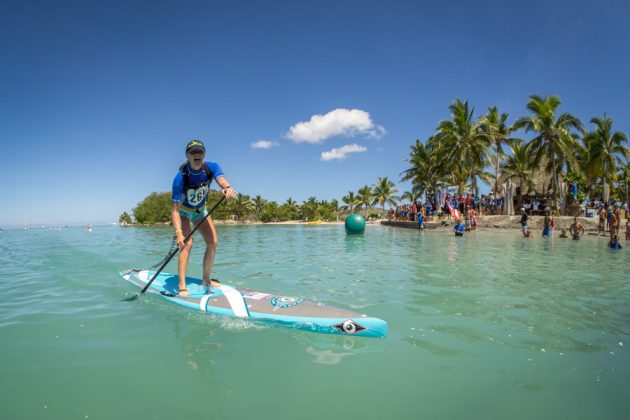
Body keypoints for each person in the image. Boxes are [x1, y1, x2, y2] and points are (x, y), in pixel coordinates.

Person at [171, 139, 237, 297]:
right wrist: (179, 232)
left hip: (201, 211)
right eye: (193, 152)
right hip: (184, 212)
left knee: (213, 242)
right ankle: (182, 287)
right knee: (187, 244)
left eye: (199, 151)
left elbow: (221, 179)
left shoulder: (211, 167)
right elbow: (174, 210)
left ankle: (206, 280)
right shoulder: (180, 178)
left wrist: (226, 188)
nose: (197, 155)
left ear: (204, 154)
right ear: (187, 155)